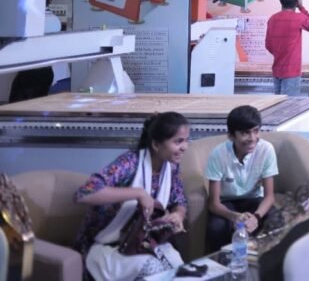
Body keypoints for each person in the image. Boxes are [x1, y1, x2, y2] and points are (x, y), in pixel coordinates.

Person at [74, 112, 190, 280]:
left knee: (178, 267)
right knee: (155, 269)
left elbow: (180, 200)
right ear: (156, 144)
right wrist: (138, 193)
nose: (185, 147)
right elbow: (84, 194)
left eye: (186, 140)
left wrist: (178, 215)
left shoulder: (171, 167)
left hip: (141, 242)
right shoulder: (130, 163)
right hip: (107, 246)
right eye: (178, 141)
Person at [204, 105, 278, 252]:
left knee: (276, 218)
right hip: (227, 202)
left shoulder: (266, 149)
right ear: (231, 136)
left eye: (256, 131)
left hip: (254, 199)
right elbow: (213, 203)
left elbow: (269, 196)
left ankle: (268, 260)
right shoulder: (218, 154)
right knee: (216, 227)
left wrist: (256, 217)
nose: (252, 138)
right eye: (245, 133)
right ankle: (219, 262)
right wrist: (233, 216)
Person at [265, 0, 309, 96]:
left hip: (277, 70)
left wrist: (280, 54)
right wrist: (301, 7)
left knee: (277, 103)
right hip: (292, 72)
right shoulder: (299, 18)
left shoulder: (272, 19)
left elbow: (268, 45)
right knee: (290, 105)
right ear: (297, 1)